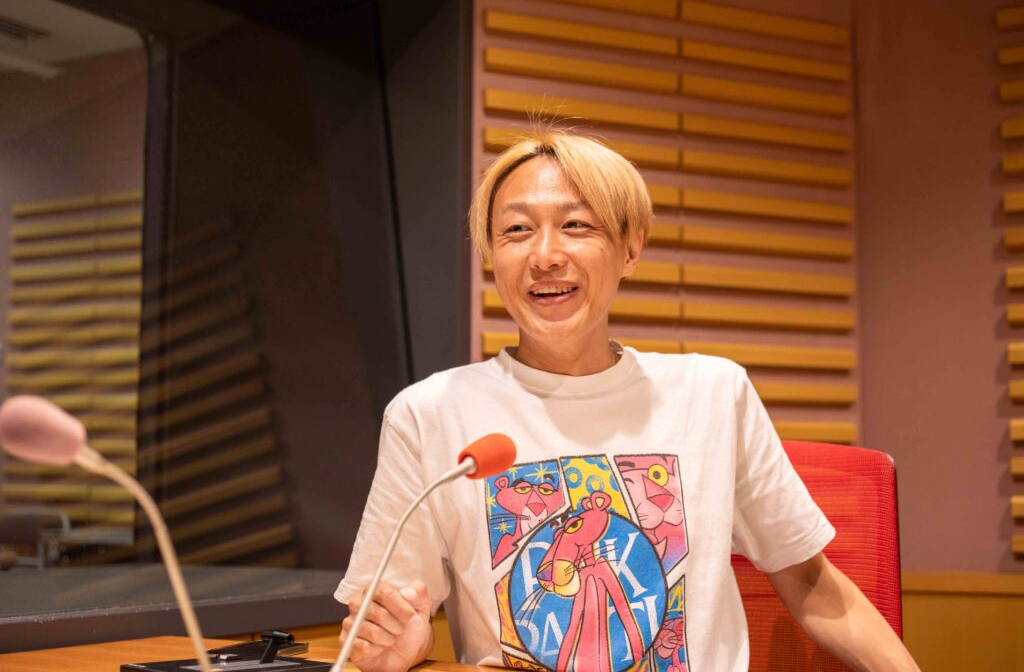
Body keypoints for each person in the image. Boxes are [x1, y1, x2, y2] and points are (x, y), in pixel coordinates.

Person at [336, 131, 919, 672]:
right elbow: (386, 623)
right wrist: (399, 648)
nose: (544, 255)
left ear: (630, 248)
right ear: (492, 252)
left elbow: (810, 582)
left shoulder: (713, 392)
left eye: (575, 225)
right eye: (516, 230)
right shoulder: (430, 413)